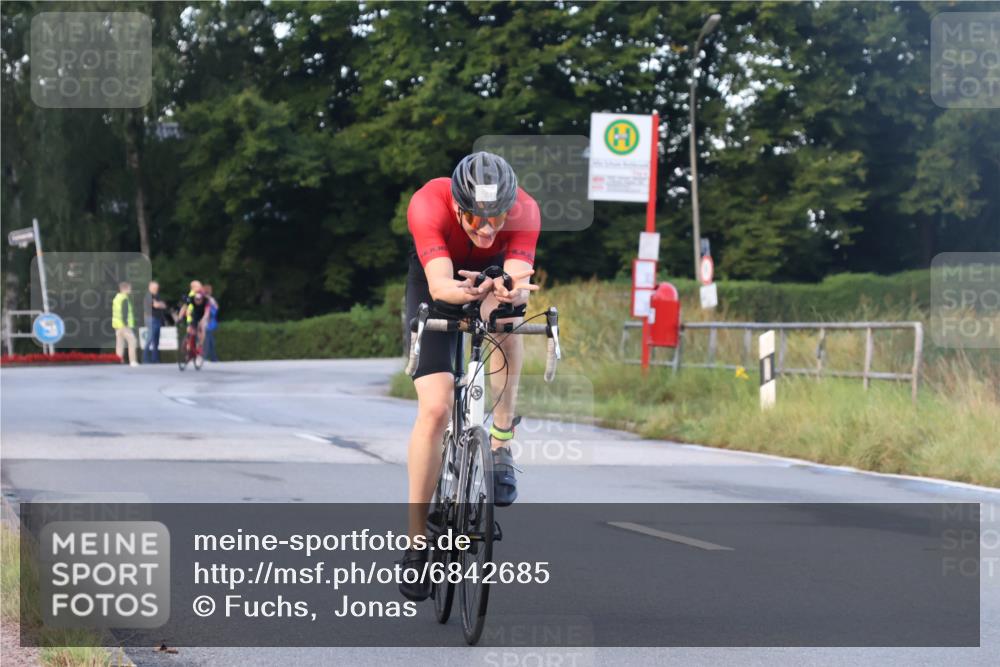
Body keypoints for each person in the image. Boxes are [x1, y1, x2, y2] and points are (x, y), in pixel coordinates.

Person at [398, 152, 541, 601]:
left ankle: (500, 442)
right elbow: (441, 285)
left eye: (496, 219)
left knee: (507, 320)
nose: (486, 229)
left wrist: (505, 288)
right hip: (436, 285)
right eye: (475, 219)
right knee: (437, 407)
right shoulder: (428, 204)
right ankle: (417, 542)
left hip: (489, 281)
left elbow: (517, 273)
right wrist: (466, 290)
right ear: (457, 205)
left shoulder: (526, 210)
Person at [177, 288, 211, 360]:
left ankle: (200, 346)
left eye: (199, 299)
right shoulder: (191, 299)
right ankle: (188, 348)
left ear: (202, 298)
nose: (197, 301)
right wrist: (179, 318)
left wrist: (203, 320)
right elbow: (184, 308)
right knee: (190, 330)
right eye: (196, 299)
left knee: (202, 328)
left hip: (203, 315)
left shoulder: (206, 301)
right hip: (195, 315)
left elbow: (207, 313)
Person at [111, 282, 139, 367]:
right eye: (129, 288)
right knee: (132, 341)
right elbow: (124, 312)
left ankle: (118, 360)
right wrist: (126, 323)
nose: (130, 290)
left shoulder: (116, 298)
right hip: (124, 325)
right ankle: (133, 361)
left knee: (120, 344)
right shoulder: (124, 298)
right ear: (125, 289)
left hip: (117, 325)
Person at [142, 281, 169, 363]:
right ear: (150, 287)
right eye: (154, 288)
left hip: (157, 319)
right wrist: (159, 304)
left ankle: (155, 359)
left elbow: (164, 305)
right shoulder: (148, 296)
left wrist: (159, 304)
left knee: (156, 340)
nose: (156, 289)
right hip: (151, 319)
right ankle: (145, 359)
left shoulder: (157, 296)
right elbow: (156, 305)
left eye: (157, 288)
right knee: (150, 339)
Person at [203, 283, 220, 362]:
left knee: (208, 340)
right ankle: (212, 357)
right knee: (210, 340)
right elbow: (216, 308)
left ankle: (208, 357)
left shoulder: (204, 298)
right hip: (209, 321)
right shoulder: (210, 299)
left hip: (207, 321)